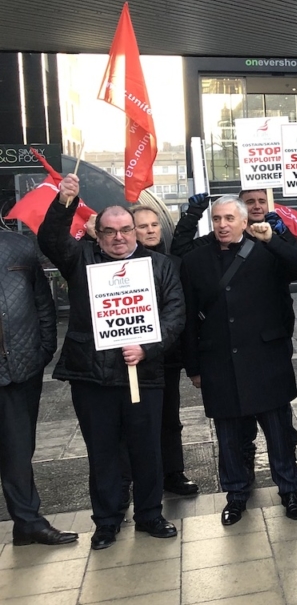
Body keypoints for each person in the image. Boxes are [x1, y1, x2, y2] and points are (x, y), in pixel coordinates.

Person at [38, 174, 185, 549]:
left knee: (147, 449)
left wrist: (148, 348)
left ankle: (150, 515)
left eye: (126, 230)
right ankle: (106, 521)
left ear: (136, 231)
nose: (119, 237)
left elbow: (174, 313)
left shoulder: (159, 265)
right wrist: (64, 202)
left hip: (144, 374)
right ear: (97, 234)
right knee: (102, 453)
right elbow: (51, 240)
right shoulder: (79, 259)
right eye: (110, 232)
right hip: (92, 375)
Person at [180, 196, 297, 526]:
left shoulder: (266, 248)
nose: (222, 225)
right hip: (219, 361)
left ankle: (289, 489)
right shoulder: (195, 260)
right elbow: (190, 318)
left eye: (228, 219)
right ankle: (236, 493)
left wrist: (273, 239)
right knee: (229, 436)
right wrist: (193, 367)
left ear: (242, 222)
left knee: (279, 433)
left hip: (266, 358)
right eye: (217, 219)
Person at [0, 230, 75, 546]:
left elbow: (43, 301)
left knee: (18, 451)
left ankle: (28, 523)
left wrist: (43, 348)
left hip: (18, 367)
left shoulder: (18, 246)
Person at [131, 205, 199, 497]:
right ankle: (136, 478)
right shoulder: (115, 262)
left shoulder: (173, 262)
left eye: (153, 225)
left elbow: (183, 310)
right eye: (142, 225)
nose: (149, 230)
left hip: (165, 355)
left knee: (169, 418)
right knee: (133, 422)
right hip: (128, 357)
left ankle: (173, 472)